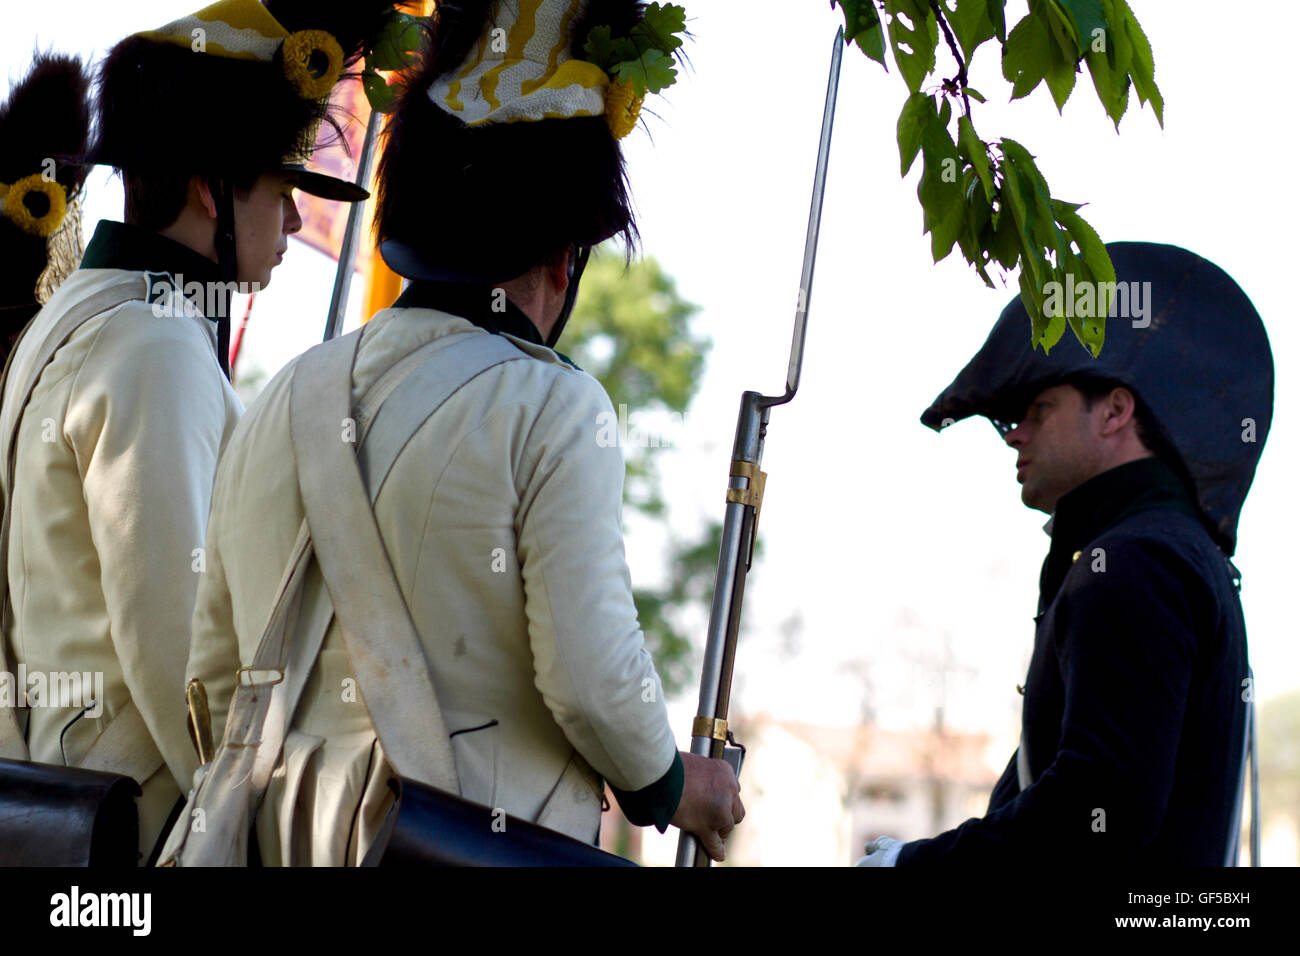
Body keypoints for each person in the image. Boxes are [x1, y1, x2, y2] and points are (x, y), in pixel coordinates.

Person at [181, 0, 745, 866]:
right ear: (564, 257)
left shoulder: (281, 398)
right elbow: (593, 685)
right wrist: (673, 785)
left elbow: (214, 681)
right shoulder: (555, 407)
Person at [0, 0, 390, 863]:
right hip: (141, 829)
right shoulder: (155, 342)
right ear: (212, 187)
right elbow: (184, 652)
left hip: (61, 806)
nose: (293, 223)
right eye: (283, 191)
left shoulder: (76, 318)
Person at [858, 241, 1271, 866]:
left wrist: (906, 867)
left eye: (1038, 409)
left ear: (1115, 411)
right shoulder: (1162, 552)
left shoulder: (1137, 562)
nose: (1015, 435)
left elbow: (1097, 809)